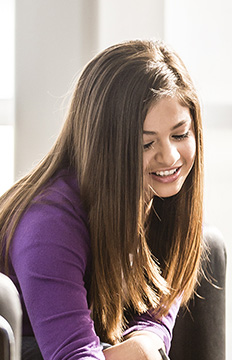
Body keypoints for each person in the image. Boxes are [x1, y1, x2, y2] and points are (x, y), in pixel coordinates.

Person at [0, 39, 205, 360]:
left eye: (180, 135)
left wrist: (145, 341)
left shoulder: (165, 198)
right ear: (104, 146)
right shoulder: (48, 221)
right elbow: (71, 353)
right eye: (145, 144)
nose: (169, 156)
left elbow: (158, 314)